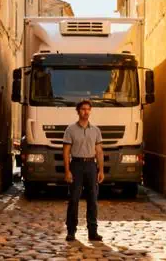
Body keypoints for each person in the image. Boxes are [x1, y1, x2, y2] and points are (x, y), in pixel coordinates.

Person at [63, 100, 106, 242]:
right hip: (76, 165)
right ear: (78, 111)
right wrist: (67, 171)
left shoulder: (96, 130)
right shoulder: (70, 130)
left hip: (91, 166)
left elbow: (99, 151)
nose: (86, 112)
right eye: (83, 109)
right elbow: (66, 151)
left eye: (88, 109)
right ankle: (71, 231)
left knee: (93, 199)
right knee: (74, 199)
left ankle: (93, 232)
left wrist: (101, 170)